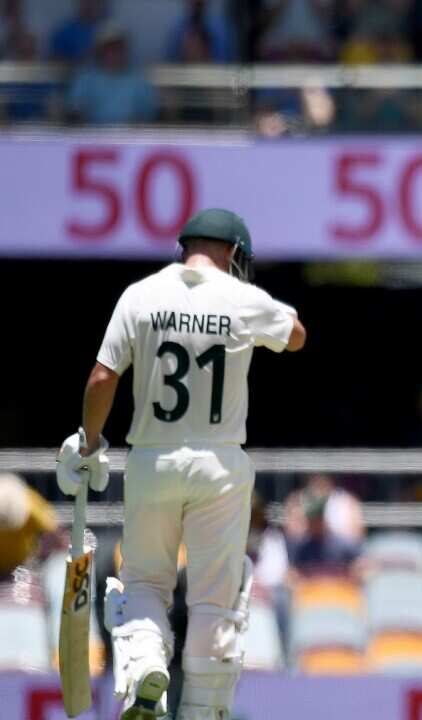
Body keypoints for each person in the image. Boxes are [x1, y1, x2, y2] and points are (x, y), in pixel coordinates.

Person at [55, 208, 305, 719]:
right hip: (220, 466)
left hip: (152, 460)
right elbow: (297, 335)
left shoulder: (140, 295)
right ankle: (203, 708)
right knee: (217, 596)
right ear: (234, 253)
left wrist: (89, 444)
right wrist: (255, 320)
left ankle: (147, 665)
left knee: (146, 582)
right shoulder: (243, 298)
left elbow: (103, 378)